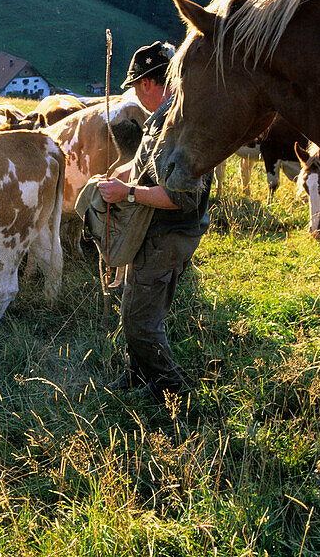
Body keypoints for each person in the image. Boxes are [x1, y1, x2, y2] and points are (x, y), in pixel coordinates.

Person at [97, 41, 212, 400]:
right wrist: (122, 173)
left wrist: (127, 194)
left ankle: (169, 387)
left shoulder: (180, 126)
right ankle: (138, 374)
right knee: (135, 307)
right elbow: (149, 166)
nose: (134, 93)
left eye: (134, 86)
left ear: (146, 83)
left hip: (167, 233)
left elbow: (180, 197)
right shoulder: (163, 117)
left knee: (140, 320)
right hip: (152, 229)